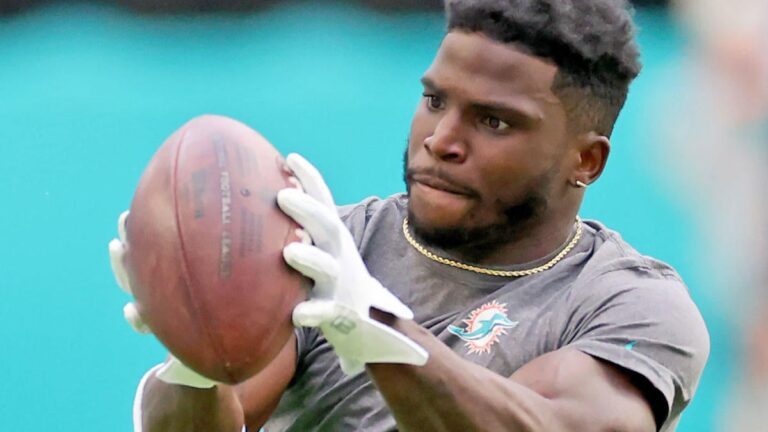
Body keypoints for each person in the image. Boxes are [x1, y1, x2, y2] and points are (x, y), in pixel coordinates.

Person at [111, 1, 709, 431]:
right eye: (434, 101)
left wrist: (377, 326)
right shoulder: (324, 249)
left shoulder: (627, 303)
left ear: (586, 159)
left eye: (493, 120)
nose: (441, 140)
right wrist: (195, 355)